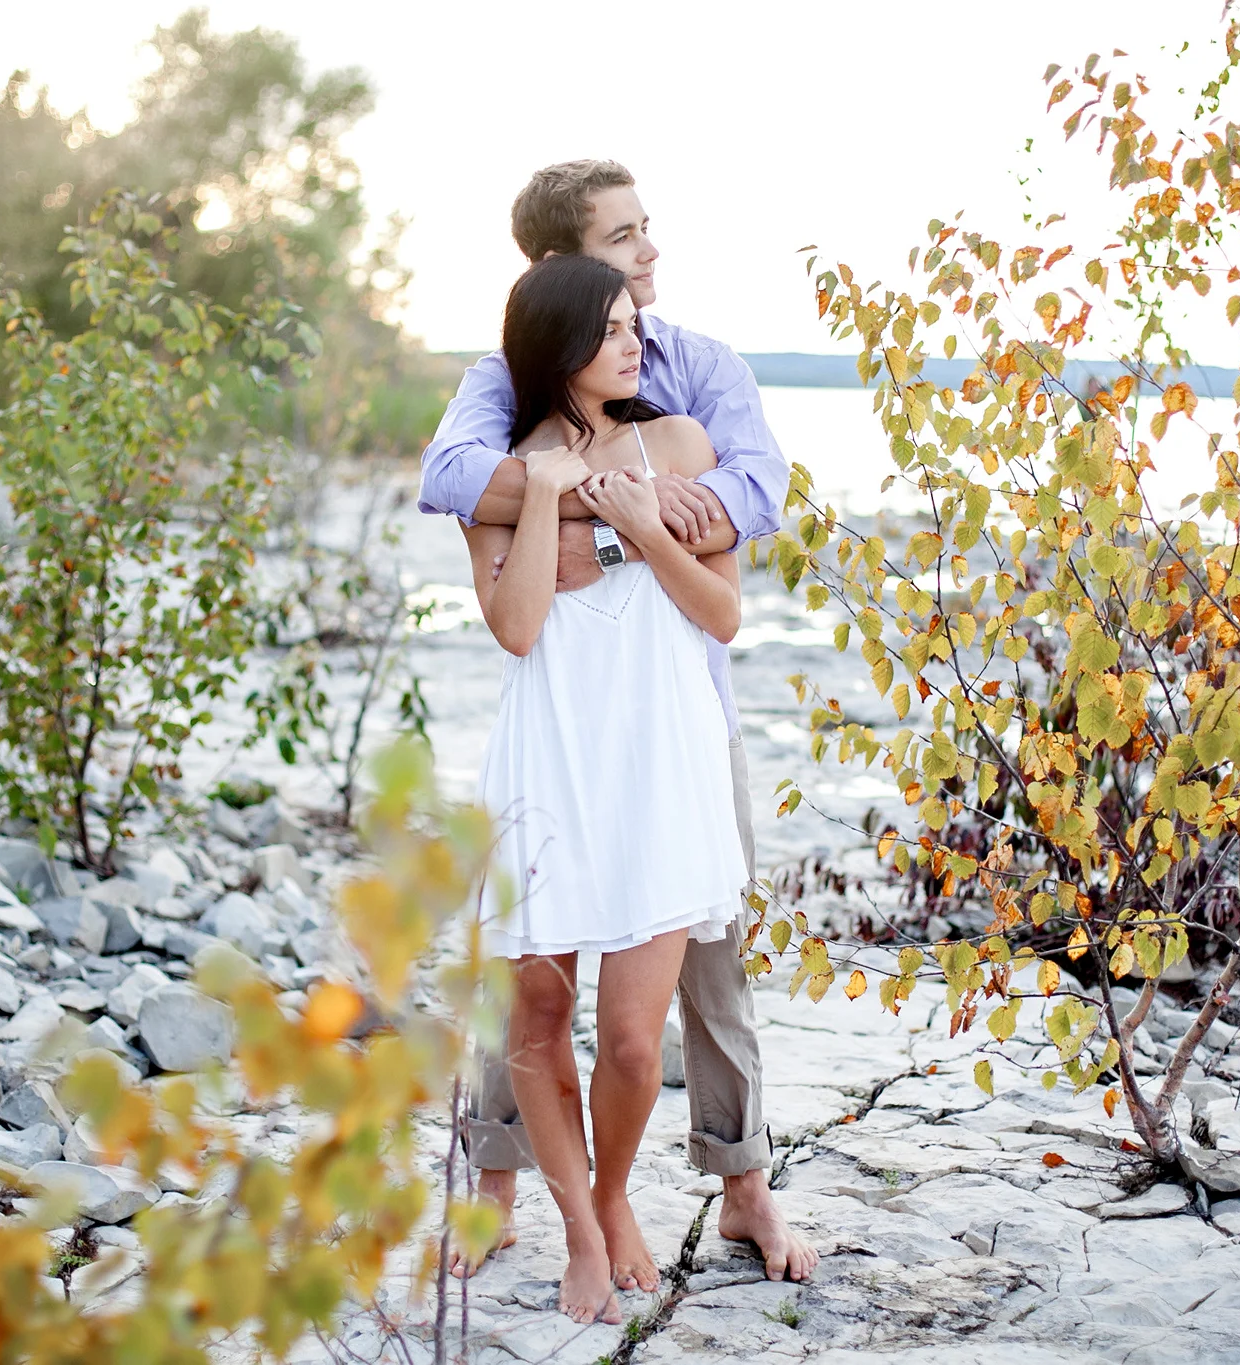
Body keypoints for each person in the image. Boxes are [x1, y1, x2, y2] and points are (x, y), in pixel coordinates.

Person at [421, 159, 818, 1287]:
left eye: (648, 231)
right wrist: (584, 516)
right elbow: (456, 480)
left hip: (684, 709)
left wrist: (645, 524)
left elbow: (754, 495)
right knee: (529, 981)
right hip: (561, 725)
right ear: (557, 269)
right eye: (622, 237)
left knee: (708, 966)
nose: (648, 256)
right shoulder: (505, 374)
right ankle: (500, 1184)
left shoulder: (699, 368)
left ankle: (742, 1188)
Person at [464, 252, 748, 1324]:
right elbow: (517, 626)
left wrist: (636, 525)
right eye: (617, 328)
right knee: (538, 1012)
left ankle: (617, 1191)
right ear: (561, 347)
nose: (639, 341)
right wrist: (541, 496)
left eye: (636, 325)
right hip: (549, 761)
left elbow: (720, 619)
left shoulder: (677, 447)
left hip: (658, 764)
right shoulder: (501, 473)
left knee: (633, 1040)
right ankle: (581, 1231)